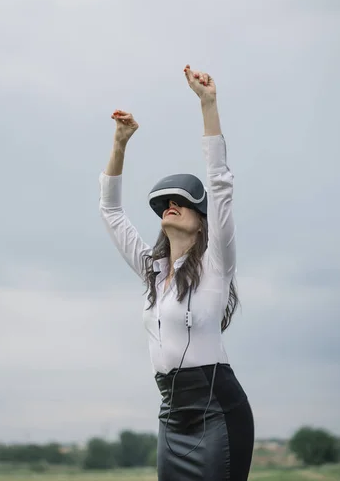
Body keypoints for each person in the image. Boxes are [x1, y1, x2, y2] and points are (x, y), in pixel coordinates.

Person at [99, 65, 254, 480]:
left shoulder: (216, 264)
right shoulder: (153, 271)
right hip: (170, 416)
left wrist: (208, 104)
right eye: (165, 201)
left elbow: (220, 184)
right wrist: (120, 144)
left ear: (202, 220)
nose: (171, 204)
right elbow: (111, 213)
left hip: (217, 412)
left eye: (181, 201)